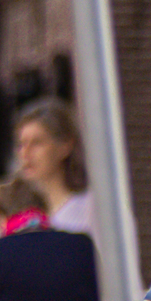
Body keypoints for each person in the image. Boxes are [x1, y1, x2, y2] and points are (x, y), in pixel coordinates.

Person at [14, 98, 93, 233]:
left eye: (37, 143)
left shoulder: (89, 211)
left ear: (65, 146)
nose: (25, 153)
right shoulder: (23, 217)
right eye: (22, 144)